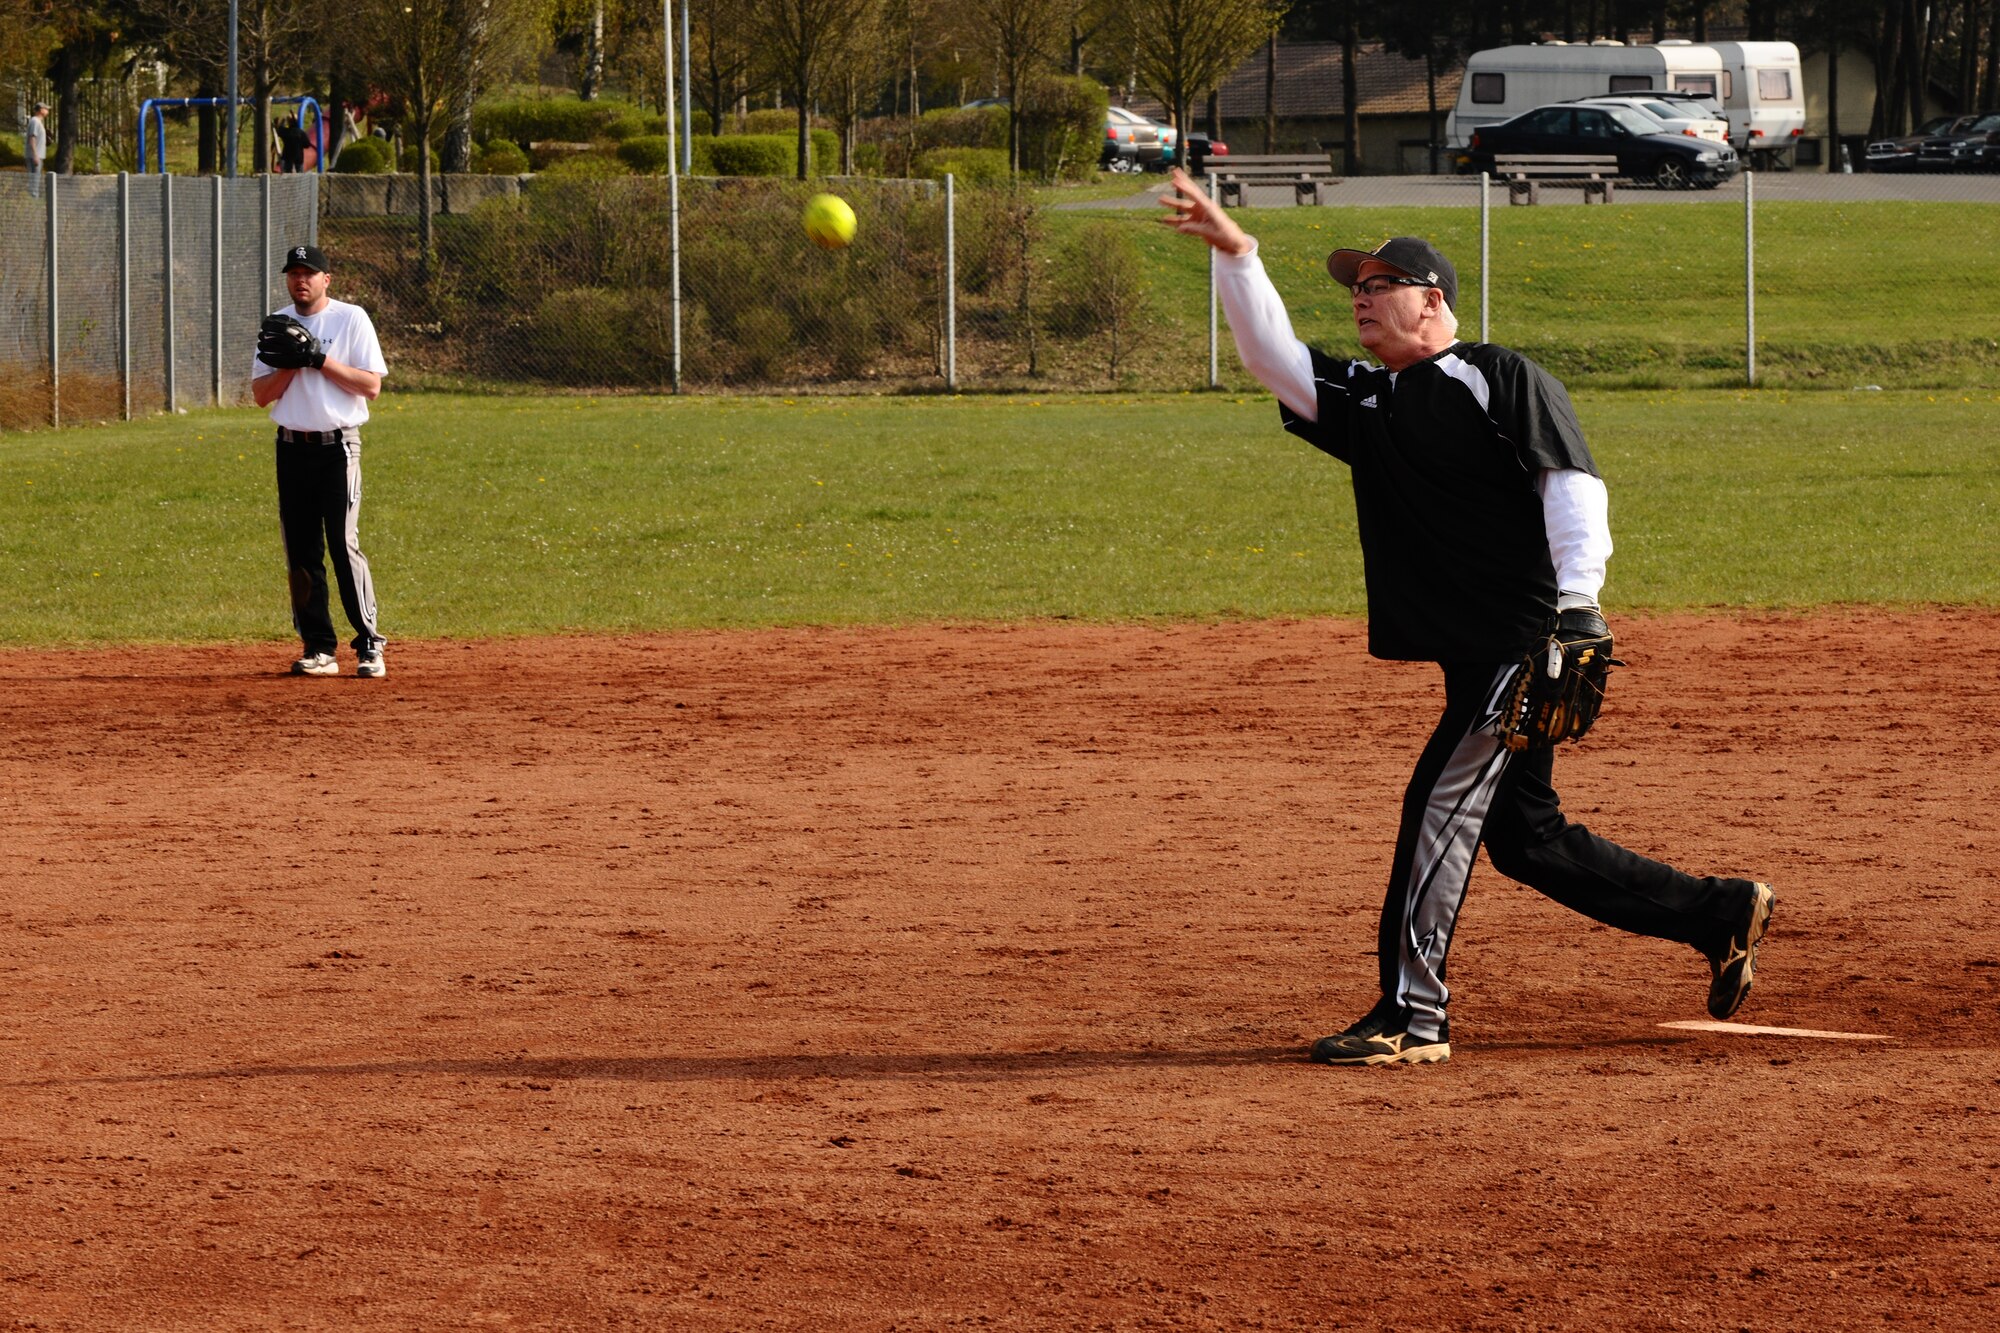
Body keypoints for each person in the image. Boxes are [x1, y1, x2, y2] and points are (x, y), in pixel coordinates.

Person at [1158, 168, 1775, 1067]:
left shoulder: (1493, 376)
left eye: (1380, 285)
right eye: (1356, 289)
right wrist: (1237, 255)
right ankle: (1719, 910)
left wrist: (1579, 607)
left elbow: (1570, 482)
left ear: (1432, 297)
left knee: (1435, 805)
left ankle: (1413, 1016)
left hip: (1522, 648)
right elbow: (1274, 361)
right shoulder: (1376, 401)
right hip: (1478, 651)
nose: (1362, 300)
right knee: (1528, 840)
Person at [251, 243, 391, 678]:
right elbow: (260, 396)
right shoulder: (278, 324)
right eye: (293, 272)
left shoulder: (351, 318)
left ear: (326, 279)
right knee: (301, 552)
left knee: (342, 545)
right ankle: (318, 647)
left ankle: (369, 644)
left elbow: (370, 386)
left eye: (309, 272)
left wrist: (318, 358)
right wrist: (293, 362)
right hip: (291, 447)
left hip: (338, 448)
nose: (300, 279)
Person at [26, 102, 48, 196]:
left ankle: (34, 196)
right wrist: (35, 155)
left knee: (36, 178)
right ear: (41, 110)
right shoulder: (35, 121)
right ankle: (33, 198)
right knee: (34, 179)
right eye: (46, 109)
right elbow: (32, 138)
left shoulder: (38, 122)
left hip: (38, 155)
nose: (47, 111)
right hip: (35, 156)